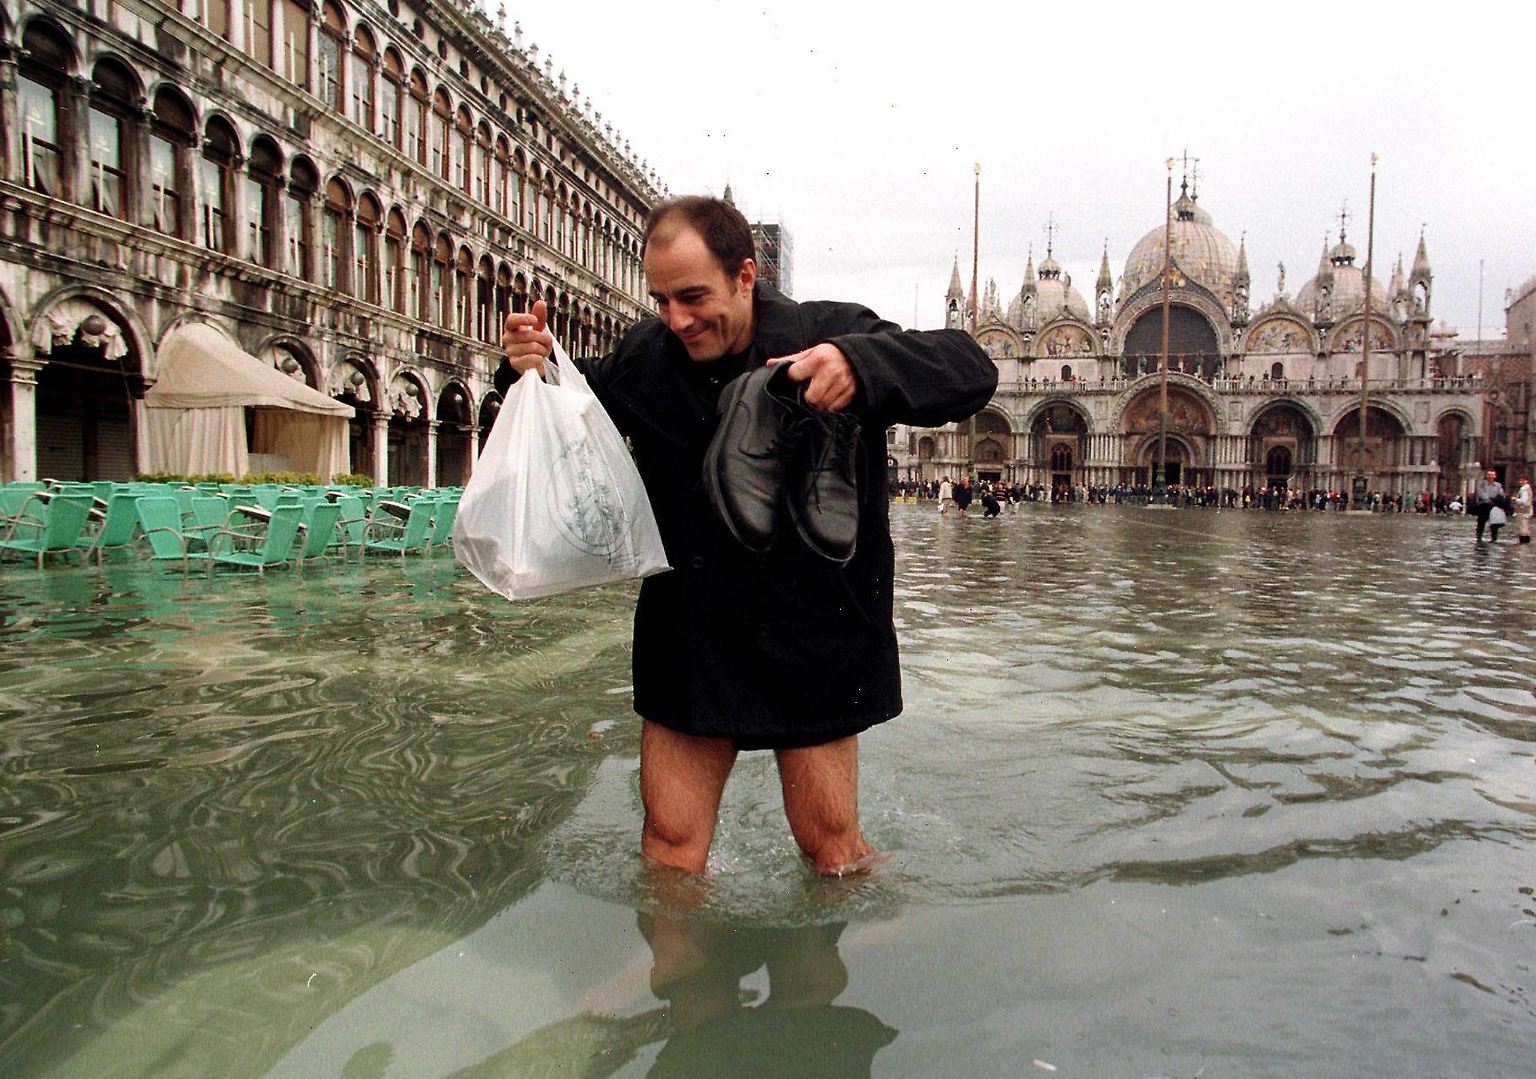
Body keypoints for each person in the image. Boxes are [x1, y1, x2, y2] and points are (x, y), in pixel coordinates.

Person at [498, 195, 996, 875]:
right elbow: (567, 395)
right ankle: (680, 974)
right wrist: (526, 362)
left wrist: (860, 366)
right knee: (670, 852)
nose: (678, 318)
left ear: (746, 275)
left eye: (694, 295)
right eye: (662, 299)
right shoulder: (649, 358)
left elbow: (970, 369)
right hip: (693, 636)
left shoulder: (829, 331)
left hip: (814, 632)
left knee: (834, 851)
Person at [1471, 469, 1507, 543]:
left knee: (1495, 522)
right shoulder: (1481, 483)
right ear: (1486, 476)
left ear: (1495, 476)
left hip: (1494, 505)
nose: (1490, 476)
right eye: (1489, 475)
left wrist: (1496, 501)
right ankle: (1479, 537)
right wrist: (1488, 500)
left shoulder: (1498, 485)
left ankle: (1494, 538)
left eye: (1492, 475)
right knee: (1481, 522)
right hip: (1483, 505)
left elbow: (1501, 494)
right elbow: (1481, 493)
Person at [1515, 476, 1533, 545]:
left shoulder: (1524, 489)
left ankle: (1523, 542)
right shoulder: (1527, 488)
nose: (1520, 482)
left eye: (1522, 480)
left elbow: (1523, 501)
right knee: (1525, 526)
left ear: (1526, 481)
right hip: (1526, 510)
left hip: (1522, 510)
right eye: (1520, 480)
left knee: (1522, 527)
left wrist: (1515, 499)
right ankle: (1526, 541)